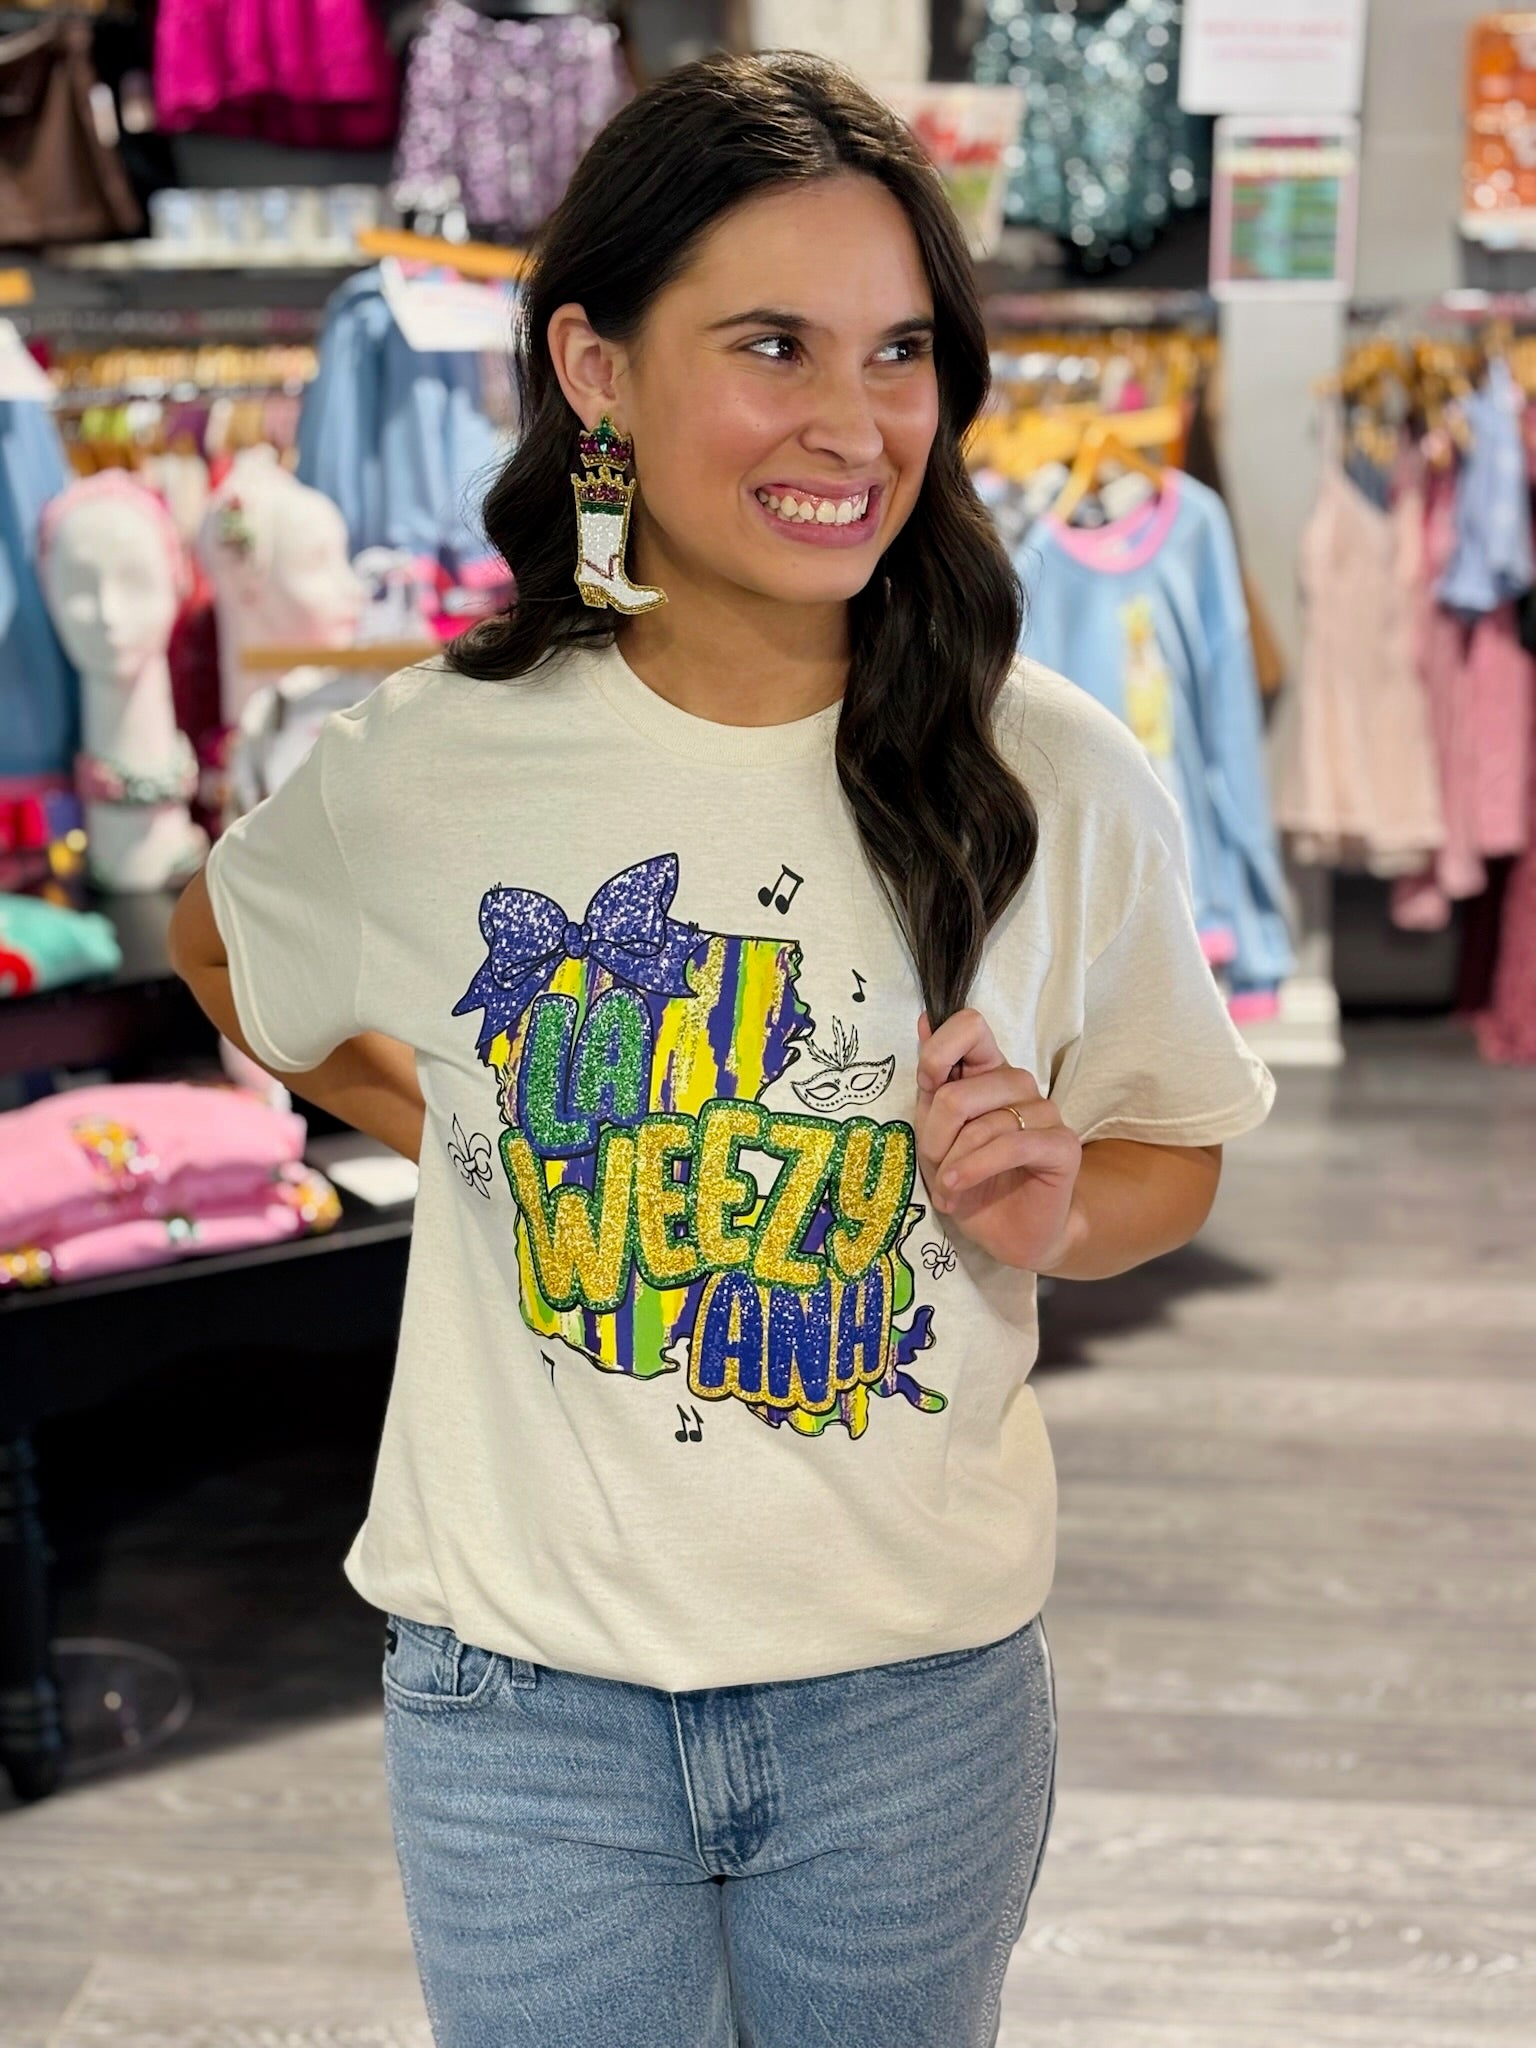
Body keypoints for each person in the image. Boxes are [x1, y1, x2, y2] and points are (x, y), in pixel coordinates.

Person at [168, 49, 1277, 2048]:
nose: (855, 424)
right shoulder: (435, 762)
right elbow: (222, 944)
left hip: (910, 1697)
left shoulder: (1054, 772)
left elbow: (1171, 1156)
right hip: (524, 1702)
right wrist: (450, 1116)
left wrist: (1057, 1209)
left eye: (900, 351)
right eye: (775, 345)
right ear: (596, 367)